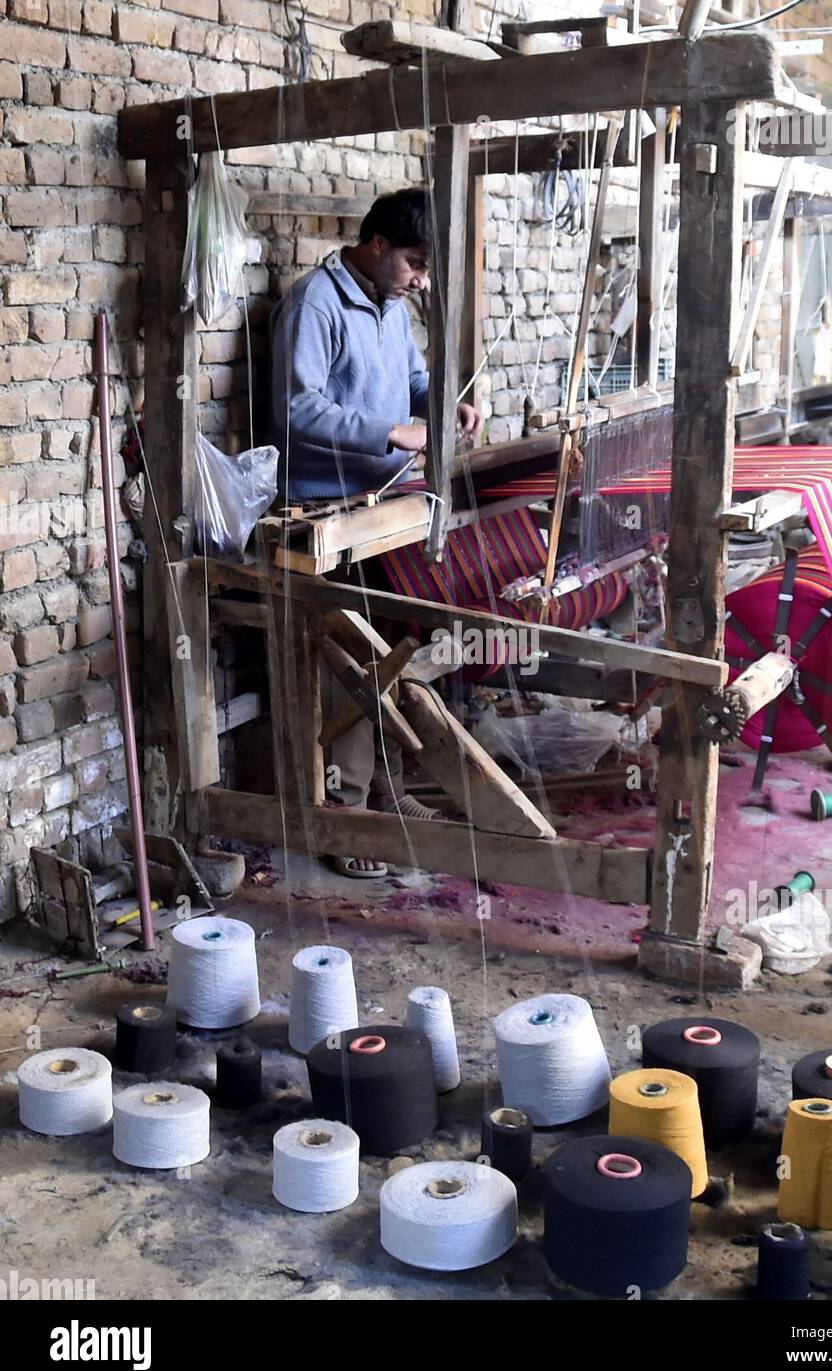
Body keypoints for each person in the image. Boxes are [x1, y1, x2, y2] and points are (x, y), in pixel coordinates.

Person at [269, 188, 482, 878]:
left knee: (390, 651)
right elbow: (294, 407)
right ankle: (346, 818)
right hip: (322, 510)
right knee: (346, 668)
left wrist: (446, 407)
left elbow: (417, 380)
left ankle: (384, 788)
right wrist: (388, 430)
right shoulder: (316, 302)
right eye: (414, 264)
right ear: (379, 245)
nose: (419, 280)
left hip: (380, 503)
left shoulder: (390, 307)